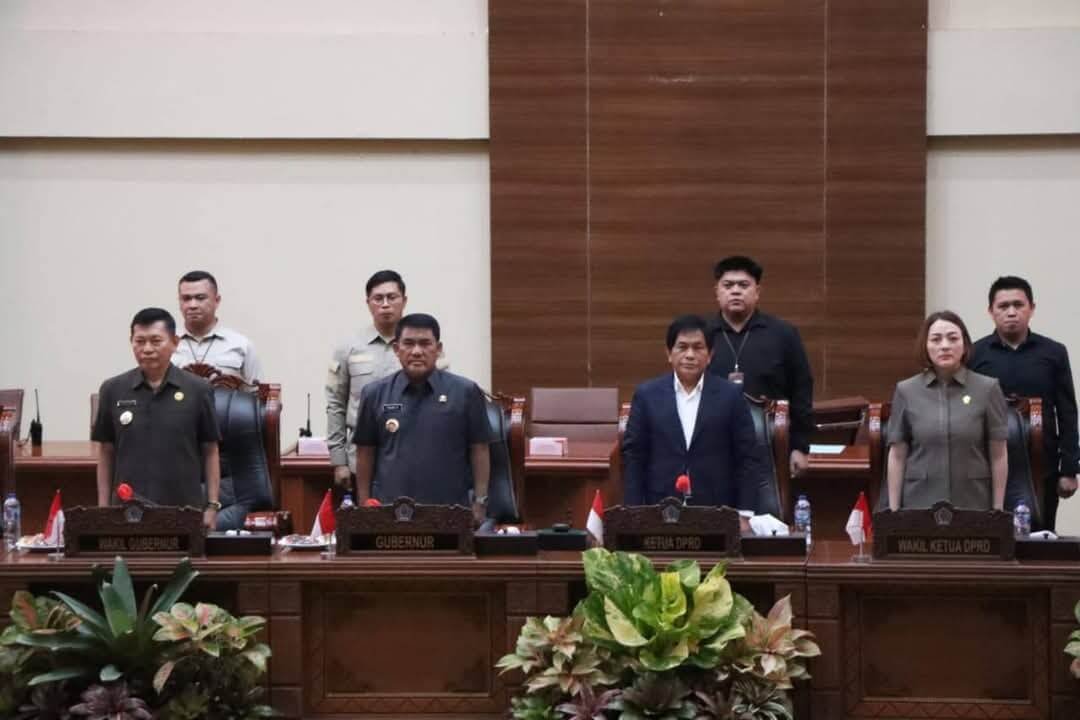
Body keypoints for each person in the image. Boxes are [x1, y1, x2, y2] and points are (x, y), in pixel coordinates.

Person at [352, 313, 491, 523]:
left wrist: (480, 502)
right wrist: (364, 505)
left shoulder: (466, 392)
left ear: (439, 349)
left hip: (450, 512)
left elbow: (479, 449)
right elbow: (365, 452)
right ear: (396, 349)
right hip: (389, 512)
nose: (417, 351)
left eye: (425, 344)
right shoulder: (374, 394)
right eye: (409, 344)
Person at [92, 308, 222, 529]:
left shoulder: (198, 389)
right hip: (126, 511)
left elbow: (210, 450)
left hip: (184, 511)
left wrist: (212, 506)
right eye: (139, 341)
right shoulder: (113, 389)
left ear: (175, 342)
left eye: (155, 341)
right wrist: (103, 509)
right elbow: (106, 451)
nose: (147, 349)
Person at [623, 314, 766, 509]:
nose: (690, 355)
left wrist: (745, 513)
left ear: (710, 355)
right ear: (669, 353)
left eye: (698, 347)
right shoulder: (647, 395)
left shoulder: (731, 395)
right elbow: (634, 457)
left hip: (717, 508)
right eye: (682, 347)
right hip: (661, 506)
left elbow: (747, 457)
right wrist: (633, 512)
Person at [969, 276, 1079, 530]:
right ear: (991, 311)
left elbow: (1067, 412)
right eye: (1003, 306)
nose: (1011, 312)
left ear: (1032, 308)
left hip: (1043, 464)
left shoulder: (1054, 352)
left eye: (1018, 305)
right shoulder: (974, 354)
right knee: (991, 536)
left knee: (1041, 535)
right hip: (988, 464)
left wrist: (1069, 469)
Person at [885, 310, 1008, 512]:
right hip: (919, 501)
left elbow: (999, 453)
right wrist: (894, 510)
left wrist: (998, 509)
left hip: (973, 501)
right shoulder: (906, 390)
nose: (945, 346)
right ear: (925, 346)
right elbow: (898, 454)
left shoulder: (987, 388)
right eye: (936, 339)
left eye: (953, 338)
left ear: (965, 344)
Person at [707, 255, 813, 479]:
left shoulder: (783, 334)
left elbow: (801, 390)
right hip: (711, 445)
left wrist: (800, 447)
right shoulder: (703, 335)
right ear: (717, 292)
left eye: (743, 285)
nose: (735, 291)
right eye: (728, 285)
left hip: (771, 445)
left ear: (757, 291)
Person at [326, 270, 409, 487]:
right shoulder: (348, 347)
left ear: (404, 300)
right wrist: (339, 461)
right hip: (360, 459)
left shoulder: (420, 345)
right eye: (378, 298)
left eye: (392, 297)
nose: (385, 304)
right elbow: (335, 404)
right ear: (368, 303)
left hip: (411, 456)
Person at [171, 270, 262, 386]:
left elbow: (259, 393)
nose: (192, 305)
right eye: (186, 298)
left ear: (217, 300)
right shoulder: (165, 345)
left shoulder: (241, 345)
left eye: (200, 298)